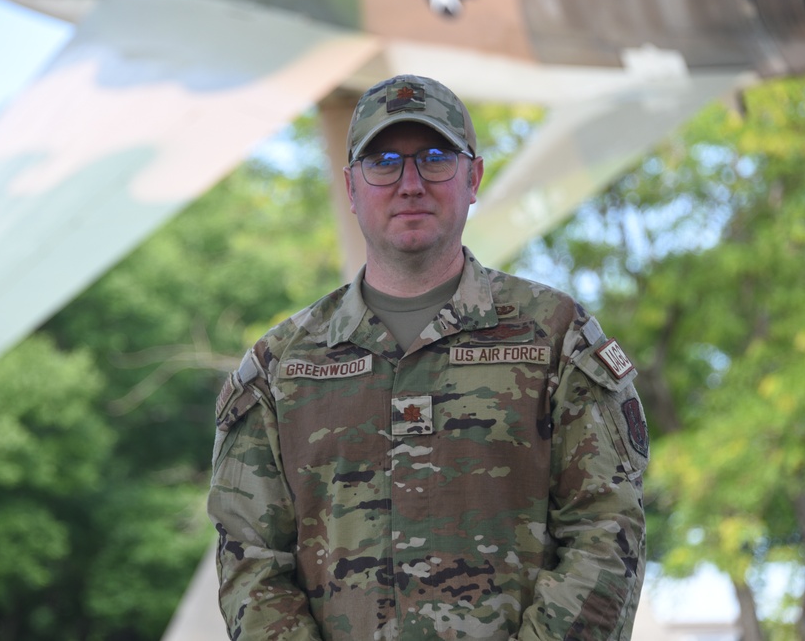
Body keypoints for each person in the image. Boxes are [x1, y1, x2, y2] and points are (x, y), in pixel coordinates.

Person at [208, 74, 648, 640]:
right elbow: (251, 561)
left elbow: (605, 530)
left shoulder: (557, 339)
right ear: (350, 187)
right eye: (384, 161)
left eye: (436, 158)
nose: (410, 183)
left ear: (474, 177)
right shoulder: (281, 368)